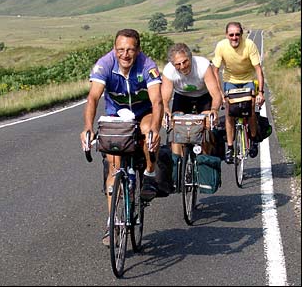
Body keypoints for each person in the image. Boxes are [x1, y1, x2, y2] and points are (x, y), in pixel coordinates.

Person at [80, 29, 163, 246]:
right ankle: (112, 223)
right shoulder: (105, 64)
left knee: (148, 132)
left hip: (143, 112)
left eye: (130, 50)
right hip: (116, 114)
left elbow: (157, 102)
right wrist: (88, 127)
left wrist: (155, 128)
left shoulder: (147, 66)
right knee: (113, 165)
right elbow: (92, 98)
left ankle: (149, 173)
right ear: (114, 49)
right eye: (120, 50)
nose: (125, 55)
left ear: (138, 50)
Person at [212, 22, 265, 164]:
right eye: (231, 35)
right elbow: (215, 71)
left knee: (251, 109)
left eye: (237, 34)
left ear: (241, 34)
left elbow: (258, 69)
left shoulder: (249, 45)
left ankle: (253, 140)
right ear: (226, 35)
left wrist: (260, 92)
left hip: (248, 79)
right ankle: (230, 147)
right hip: (230, 80)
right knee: (229, 113)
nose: (234, 37)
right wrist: (221, 94)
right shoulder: (221, 46)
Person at [161, 43, 222, 156]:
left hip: (203, 96)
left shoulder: (203, 65)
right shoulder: (169, 71)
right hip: (182, 97)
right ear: (172, 64)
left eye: (185, 62)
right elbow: (164, 98)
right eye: (178, 64)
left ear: (190, 58)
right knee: (176, 128)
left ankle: (204, 159)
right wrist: (165, 111)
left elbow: (216, 94)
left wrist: (214, 110)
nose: (183, 66)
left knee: (206, 125)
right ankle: (177, 164)